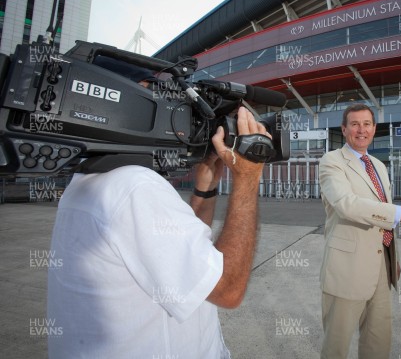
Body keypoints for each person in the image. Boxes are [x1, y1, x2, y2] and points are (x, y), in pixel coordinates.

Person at [47, 107, 267, 358]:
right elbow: (228, 290)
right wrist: (248, 176)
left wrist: (205, 189)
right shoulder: (136, 185)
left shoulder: (89, 182)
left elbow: (186, 253)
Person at [318, 103, 401, 359]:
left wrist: (394, 257)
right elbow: (347, 205)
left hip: (382, 265)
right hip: (347, 267)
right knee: (337, 345)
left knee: (378, 341)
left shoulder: (379, 165)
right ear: (344, 129)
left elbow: (382, 210)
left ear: (374, 129)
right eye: (355, 124)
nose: (361, 130)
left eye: (367, 124)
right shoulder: (332, 161)